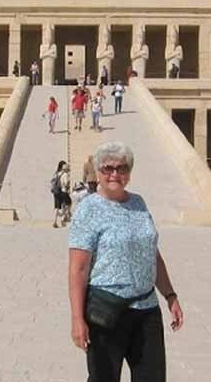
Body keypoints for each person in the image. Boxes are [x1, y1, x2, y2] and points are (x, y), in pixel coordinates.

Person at [68, 141, 183, 381]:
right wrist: (77, 319)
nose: (115, 174)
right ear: (97, 172)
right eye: (108, 168)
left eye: (121, 168)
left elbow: (152, 253)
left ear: (129, 173)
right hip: (106, 311)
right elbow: (78, 269)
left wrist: (170, 296)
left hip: (146, 308)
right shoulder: (88, 209)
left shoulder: (138, 202)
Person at [51, 161, 71, 228]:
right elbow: (65, 183)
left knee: (57, 207)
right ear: (62, 166)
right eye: (64, 165)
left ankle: (55, 221)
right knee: (68, 203)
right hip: (63, 191)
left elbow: (52, 181)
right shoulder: (64, 174)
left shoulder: (56, 173)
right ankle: (63, 218)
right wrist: (68, 183)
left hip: (56, 192)